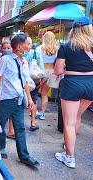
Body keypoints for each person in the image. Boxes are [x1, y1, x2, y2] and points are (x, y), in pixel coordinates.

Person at [0, 33, 39, 167]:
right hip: (4, 99)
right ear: (18, 46)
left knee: (20, 128)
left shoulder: (23, 61)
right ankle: (0, 147)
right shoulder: (5, 60)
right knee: (1, 125)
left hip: (19, 100)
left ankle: (24, 155)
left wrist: (29, 99)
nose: (29, 46)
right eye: (26, 44)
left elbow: (25, 82)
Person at [54, 17, 93, 168]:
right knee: (77, 117)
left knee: (69, 123)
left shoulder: (66, 46)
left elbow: (58, 70)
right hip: (90, 85)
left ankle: (69, 157)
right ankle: (67, 147)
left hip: (72, 84)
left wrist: (68, 69)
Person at [37, 31, 60, 120]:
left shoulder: (39, 48)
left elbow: (37, 61)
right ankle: (42, 113)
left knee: (35, 92)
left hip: (41, 72)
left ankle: (34, 111)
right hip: (52, 72)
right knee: (44, 94)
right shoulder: (57, 49)